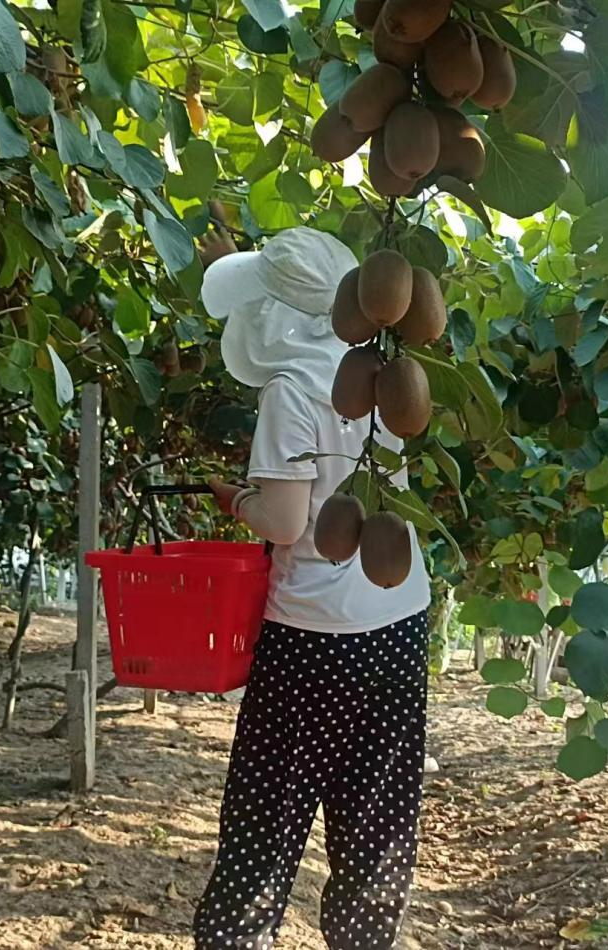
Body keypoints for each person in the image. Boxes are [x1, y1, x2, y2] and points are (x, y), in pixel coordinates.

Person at [192, 220, 432, 950]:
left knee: (266, 817)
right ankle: (363, 937)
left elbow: (288, 521)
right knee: (375, 813)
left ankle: (236, 938)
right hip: (398, 619)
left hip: (312, 635)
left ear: (270, 315)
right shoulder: (384, 375)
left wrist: (235, 498)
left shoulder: (291, 391)